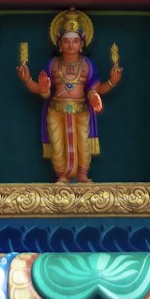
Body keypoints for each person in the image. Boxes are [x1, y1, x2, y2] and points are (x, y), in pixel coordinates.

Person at [17, 12, 122, 186]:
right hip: (56, 110)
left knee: (83, 143)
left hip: (81, 110)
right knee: (58, 146)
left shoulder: (87, 64)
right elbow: (44, 92)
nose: (70, 45)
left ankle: (82, 173)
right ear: (59, 43)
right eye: (66, 41)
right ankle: (63, 175)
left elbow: (94, 89)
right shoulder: (53, 64)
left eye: (75, 41)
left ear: (82, 42)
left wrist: (109, 83)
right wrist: (30, 81)